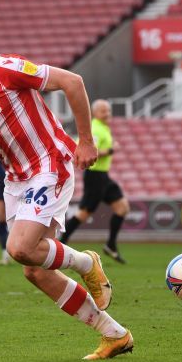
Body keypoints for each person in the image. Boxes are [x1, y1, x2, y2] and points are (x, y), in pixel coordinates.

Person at [0, 3, 133, 360]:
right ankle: (114, 334)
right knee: (34, 272)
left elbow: (72, 82)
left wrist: (85, 140)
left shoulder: (4, 69)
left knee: (19, 248)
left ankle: (87, 263)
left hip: (48, 163)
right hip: (16, 179)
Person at [59, 99, 130, 264]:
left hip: (104, 176)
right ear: (95, 113)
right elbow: (92, 152)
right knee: (84, 214)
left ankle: (110, 245)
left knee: (122, 207)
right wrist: (112, 149)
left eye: (109, 111)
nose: (108, 114)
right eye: (104, 111)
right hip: (95, 176)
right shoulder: (95, 129)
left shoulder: (103, 127)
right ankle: (61, 244)